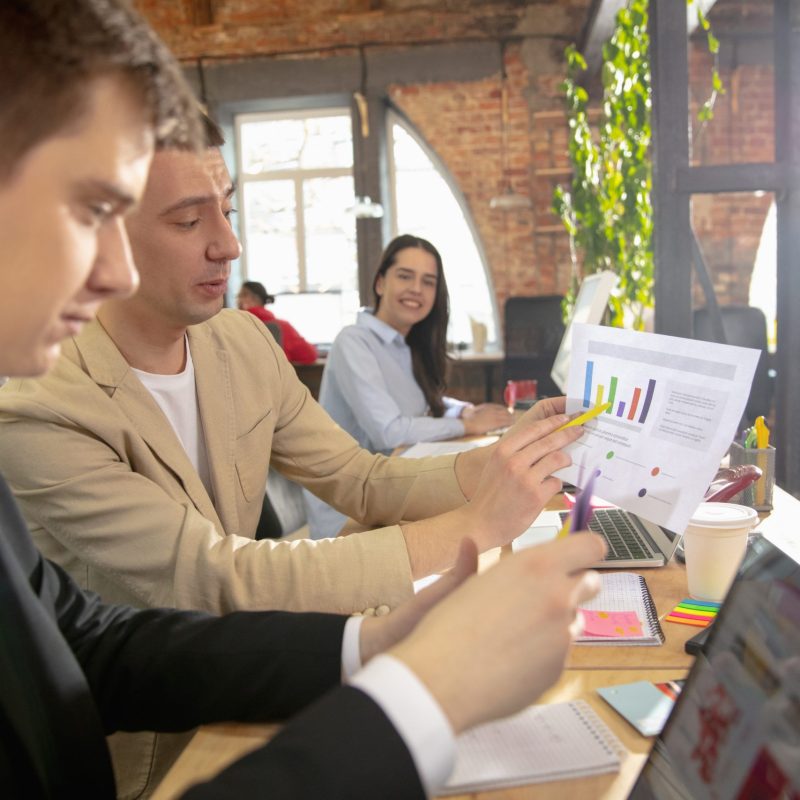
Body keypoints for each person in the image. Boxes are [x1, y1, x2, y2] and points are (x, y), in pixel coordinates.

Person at [0, 5, 607, 795]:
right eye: (94, 212)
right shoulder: (34, 404)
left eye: (228, 207)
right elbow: (211, 578)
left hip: (235, 688)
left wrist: (374, 644)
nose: (228, 244)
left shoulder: (240, 340)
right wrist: (429, 671)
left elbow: (91, 641)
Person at [306, 234, 512, 537]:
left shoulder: (403, 345)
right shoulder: (353, 342)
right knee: (481, 520)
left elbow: (421, 404)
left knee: (492, 503)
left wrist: (463, 410)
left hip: (390, 494)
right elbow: (389, 431)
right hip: (349, 517)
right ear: (380, 283)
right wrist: (466, 426)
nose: (417, 289)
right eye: (405, 276)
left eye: (428, 282)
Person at [235, 279, 318, 364]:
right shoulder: (283, 327)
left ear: (253, 298)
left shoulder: (233, 325)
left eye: (240, 296)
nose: (237, 300)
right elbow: (310, 355)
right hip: (275, 376)